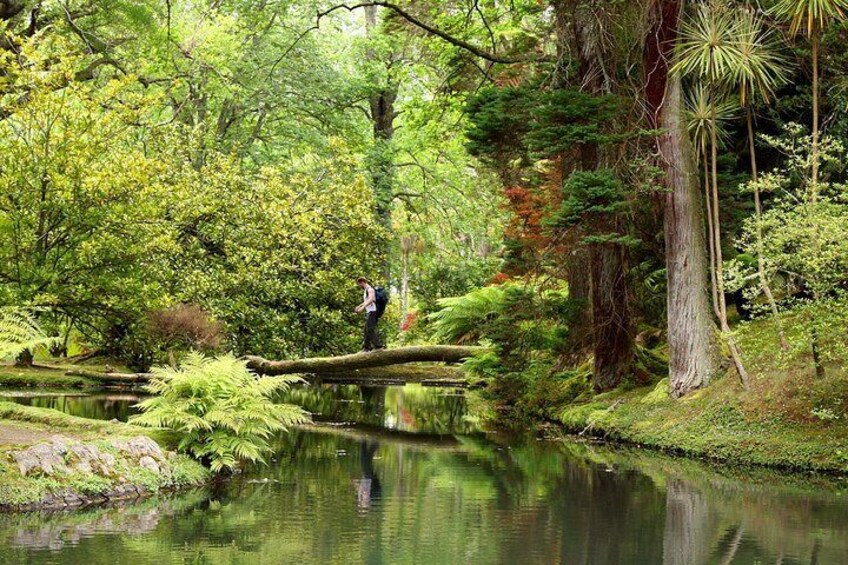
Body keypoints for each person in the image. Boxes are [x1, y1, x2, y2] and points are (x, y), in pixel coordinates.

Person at [355, 277, 383, 352]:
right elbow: (367, 300)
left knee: (370, 329)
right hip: (369, 312)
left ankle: (378, 347)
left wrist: (363, 307)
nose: (359, 286)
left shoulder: (370, 289)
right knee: (366, 329)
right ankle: (366, 348)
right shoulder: (366, 290)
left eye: (359, 284)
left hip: (373, 311)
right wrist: (360, 306)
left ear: (362, 282)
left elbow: (371, 299)